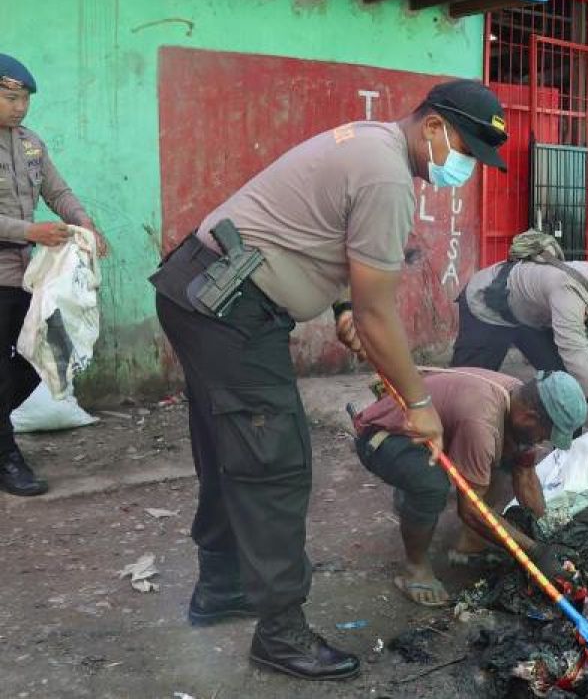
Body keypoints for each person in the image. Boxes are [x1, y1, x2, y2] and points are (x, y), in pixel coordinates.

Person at [151, 80, 508, 681]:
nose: (466, 165)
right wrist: (418, 403)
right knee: (276, 463)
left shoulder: (371, 143)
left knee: (230, 448)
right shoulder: (387, 175)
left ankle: (220, 586)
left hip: (202, 291)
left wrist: (341, 306)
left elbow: (329, 238)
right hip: (230, 308)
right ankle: (281, 633)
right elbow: (380, 311)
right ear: (433, 128)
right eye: (467, 150)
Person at [350, 368, 587, 606]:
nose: (543, 441)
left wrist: (546, 535)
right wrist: (534, 552)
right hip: (384, 435)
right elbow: (471, 509)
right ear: (530, 417)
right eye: (544, 434)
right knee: (431, 486)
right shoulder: (483, 423)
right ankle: (415, 569)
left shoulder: (520, 398)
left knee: (510, 452)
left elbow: (525, 474)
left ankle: (469, 546)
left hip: (434, 434)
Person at [0, 54, 108, 496]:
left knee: (42, 354)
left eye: (24, 98)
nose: (19, 106)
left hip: (27, 274)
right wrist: (31, 230)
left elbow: (58, 191)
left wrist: (85, 224)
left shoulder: (30, 144)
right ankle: (8, 459)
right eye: (10, 96)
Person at [450, 251, 588, 443]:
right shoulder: (570, 289)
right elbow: (576, 356)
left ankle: (567, 455)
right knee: (467, 390)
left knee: (570, 385)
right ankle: (448, 451)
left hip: (528, 319)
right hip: (486, 307)